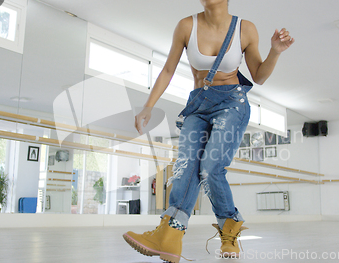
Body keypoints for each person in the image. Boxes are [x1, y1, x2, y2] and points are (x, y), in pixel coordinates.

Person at [123, 0, 294, 262]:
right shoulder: (186, 26)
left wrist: (275, 51)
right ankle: (169, 236)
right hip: (198, 104)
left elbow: (258, 76)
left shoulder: (245, 29)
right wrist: (148, 106)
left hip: (232, 103)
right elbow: (168, 69)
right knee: (186, 166)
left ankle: (229, 231)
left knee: (210, 167)